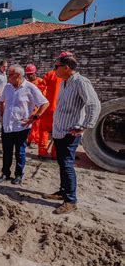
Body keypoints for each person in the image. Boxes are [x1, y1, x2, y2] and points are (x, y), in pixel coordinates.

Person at [43, 51, 101, 215]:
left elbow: (94, 104)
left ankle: (70, 200)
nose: (55, 70)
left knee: (67, 164)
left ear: (66, 67)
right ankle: (63, 191)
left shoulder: (81, 82)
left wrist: (85, 126)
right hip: (60, 131)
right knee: (62, 163)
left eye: (57, 66)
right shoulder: (65, 82)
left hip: (71, 132)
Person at [0, 64, 49, 185]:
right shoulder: (8, 87)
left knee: (20, 152)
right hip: (7, 126)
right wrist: (1, 115)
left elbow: (44, 103)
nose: (8, 77)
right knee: (7, 151)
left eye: (10, 75)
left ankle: (19, 175)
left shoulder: (30, 88)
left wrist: (33, 118)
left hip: (21, 127)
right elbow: (1, 101)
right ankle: (5, 173)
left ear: (18, 76)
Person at [38, 70, 63, 159]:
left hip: (47, 107)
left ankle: (42, 152)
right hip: (60, 110)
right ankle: (55, 154)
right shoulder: (68, 76)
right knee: (58, 132)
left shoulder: (50, 74)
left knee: (43, 130)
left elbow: (40, 87)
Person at [25, 64, 46, 148]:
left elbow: (43, 97)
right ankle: (30, 140)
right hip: (28, 107)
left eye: (31, 74)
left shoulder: (41, 82)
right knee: (29, 125)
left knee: (36, 126)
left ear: (34, 73)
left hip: (37, 108)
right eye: (27, 74)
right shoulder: (26, 83)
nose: (29, 76)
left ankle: (34, 141)